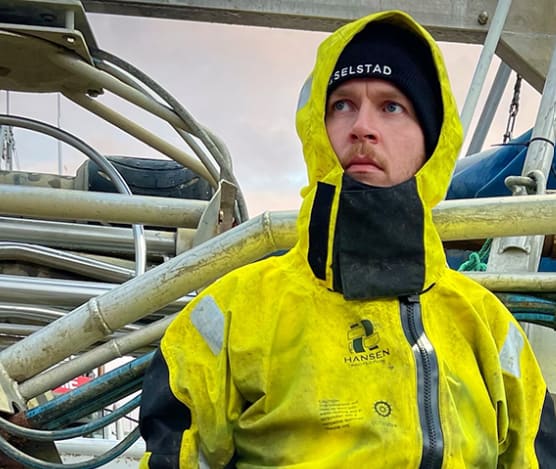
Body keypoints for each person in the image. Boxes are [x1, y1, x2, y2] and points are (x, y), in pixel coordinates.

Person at [139, 9, 556, 468]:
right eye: (342, 105)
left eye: (391, 106)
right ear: (317, 128)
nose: (362, 127)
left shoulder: (488, 327)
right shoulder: (231, 316)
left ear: (432, 141)